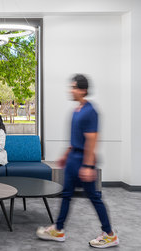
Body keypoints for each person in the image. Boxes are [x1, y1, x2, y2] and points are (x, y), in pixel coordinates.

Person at [36, 74, 119, 248]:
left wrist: (88, 166)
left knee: (94, 197)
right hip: (73, 158)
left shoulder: (91, 111)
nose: (70, 90)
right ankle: (58, 229)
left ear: (83, 90)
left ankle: (109, 234)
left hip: (83, 159)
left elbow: (92, 140)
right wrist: (67, 153)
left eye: (74, 87)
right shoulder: (76, 110)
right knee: (66, 195)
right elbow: (77, 137)